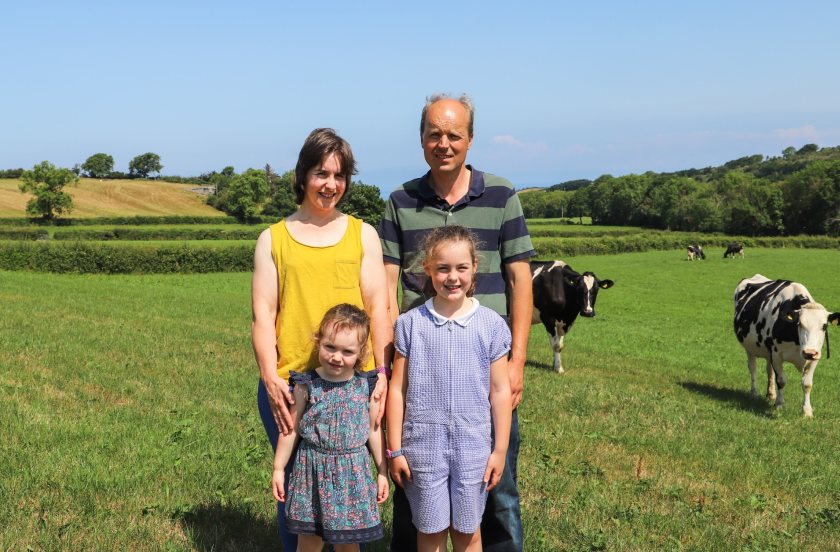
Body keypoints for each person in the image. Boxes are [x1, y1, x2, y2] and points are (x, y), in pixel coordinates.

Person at [379, 94, 535, 552]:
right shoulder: (400, 201)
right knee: (414, 485)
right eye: (434, 134)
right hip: (420, 365)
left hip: (486, 366)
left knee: (497, 482)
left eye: (453, 135)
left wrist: (518, 360)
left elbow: (519, 279)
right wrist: (389, 367)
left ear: (469, 139)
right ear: (421, 139)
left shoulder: (502, 195)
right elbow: (389, 287)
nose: (443, 143)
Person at [252, 128, 392, 550]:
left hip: (354, 381)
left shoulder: (362, 234)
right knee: (296, 489)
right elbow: (263, 314)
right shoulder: (272, 239)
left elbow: (379, 307)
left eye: (339, 175)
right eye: (321, 173)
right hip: (291, 382)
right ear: (302, 175)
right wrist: (269, 376)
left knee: (350, 488)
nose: (330, 184)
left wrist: (381, 372)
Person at [387, 226, 513, 552]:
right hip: (422, 448)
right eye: (443, 268)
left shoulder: (491, 325)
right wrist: (395, 450)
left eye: (461, 268)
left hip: (474, 449)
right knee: (430, 531)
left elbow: (500, 391)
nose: (452, 277)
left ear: (475, 268)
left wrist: (499, 450)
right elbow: (397, 390)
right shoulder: (410, 324)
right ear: (428, 270)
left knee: (468, 533)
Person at [273, 304, 389, 551]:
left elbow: (373, 430)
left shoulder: (365, 386)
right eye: (330, 347)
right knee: (309, 541)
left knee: (348, 544)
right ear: (318, 342)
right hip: (312, 472)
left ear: (361, 353)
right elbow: (291, 429)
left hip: (352, 475)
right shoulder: (306, 384)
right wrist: (279, 468)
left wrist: (382, 470)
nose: (337, 357)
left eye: (347, 351)